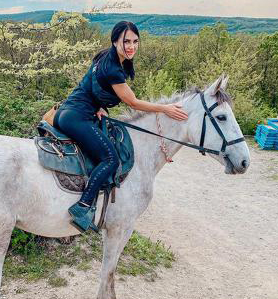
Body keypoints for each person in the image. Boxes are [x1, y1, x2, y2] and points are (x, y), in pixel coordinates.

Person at [54, 20, 189, 232]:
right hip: (77, 117)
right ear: (115, 40)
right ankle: (83, 207)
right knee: (111, 158)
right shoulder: (113, 69)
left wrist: (99, 106)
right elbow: (133, 102)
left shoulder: (104, 57)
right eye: (126, 41)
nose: (131, 46)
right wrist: (166, 109)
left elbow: (90, 85)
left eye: (135, 41)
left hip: (69, 112)